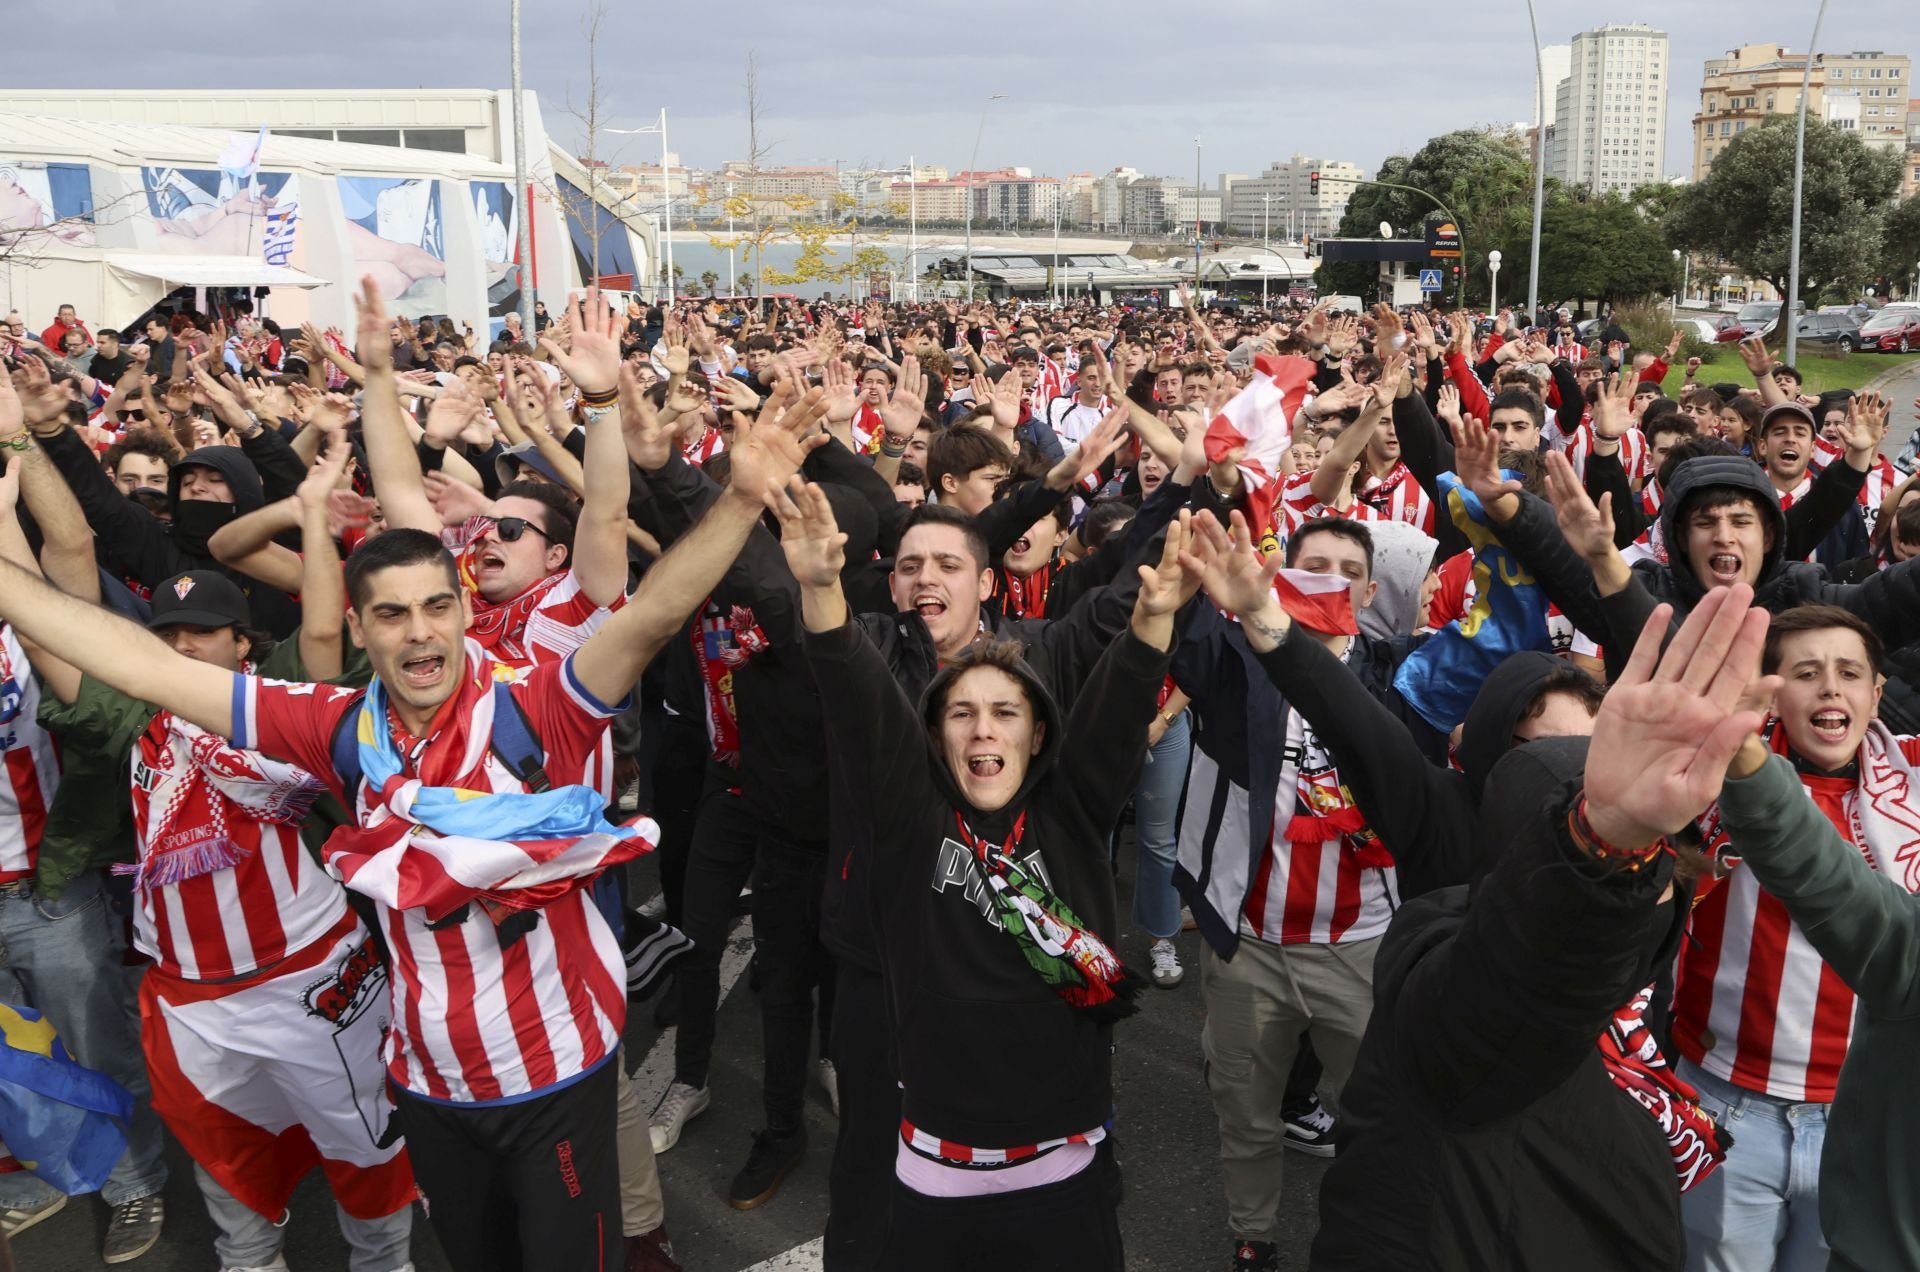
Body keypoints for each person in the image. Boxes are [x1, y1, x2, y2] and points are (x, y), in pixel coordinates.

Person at [0, 285, 828, 1271]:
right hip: (430, 1083)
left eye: (437, 606)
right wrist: (379, 376)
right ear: (360, 628)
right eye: (391, 615)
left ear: (462, 608)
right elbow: (147, 667)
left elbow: (651, 612)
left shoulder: (544, 702)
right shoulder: (340, 727)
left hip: (554, 1074)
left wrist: (735, 495)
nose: (419, 631)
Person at [777, 476, 1195, 1272]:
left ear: (1038, 736)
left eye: (1006, 713)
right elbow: (861, 702)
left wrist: (1152, 621)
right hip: (938, 1174)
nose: (982, 731)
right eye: (961, 715)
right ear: (933, 738)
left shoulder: (1070, 817)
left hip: (1065, 1170)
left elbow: (1115, 711)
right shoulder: (912, 822)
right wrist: (822, 593)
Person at [19, 440, 414, 1272]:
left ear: (244, 643)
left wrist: (314, 513)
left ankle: (385, 1263)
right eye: (168, 633)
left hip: (310, 980)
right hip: (189, 997)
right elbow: (47, 624)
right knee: (226, 1162)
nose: (184, 645)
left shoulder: (283, 707)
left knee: (366, 1150)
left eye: (204, 631)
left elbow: (320, 628)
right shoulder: (132, 720)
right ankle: (250, 1263)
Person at [1304, 581, 1776, 1271]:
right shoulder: (1447, 968)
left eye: (1653, 859)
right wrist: (1602, 840)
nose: (1606, 778)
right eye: (1567, 766)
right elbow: (1529, 973)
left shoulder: (1640, 978)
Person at [1714, 627, 1920, 1271]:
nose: (1830, 688)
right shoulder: (1711, 770)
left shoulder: (1913, 770)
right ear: (1771, 695)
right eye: (1806, 673)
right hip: (1727, 1104)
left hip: (1866, 1128)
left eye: (1849, 673)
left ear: (1878, 694)